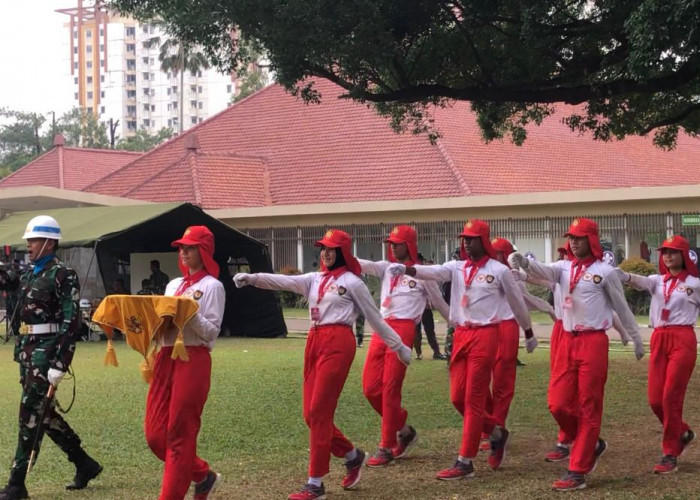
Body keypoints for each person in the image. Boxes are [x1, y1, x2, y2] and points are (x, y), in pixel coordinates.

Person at [234, 229, 412, 500]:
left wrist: (398, 346)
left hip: (339, 342)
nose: (326, 253)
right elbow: (282, 281)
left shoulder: (353, 282)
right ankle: (352, 455)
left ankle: (315, 484)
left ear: (342, 252)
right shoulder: (314, 279)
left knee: (319, 411)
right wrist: (253, 278)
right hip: (314, 341)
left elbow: (375, 318)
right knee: (310, 414)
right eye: (323, 248)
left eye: (331, 249)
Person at [388, 219, 534, 481]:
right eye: (464, 238)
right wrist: (409, 270)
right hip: (462, 335)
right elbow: (432, 272)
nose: (466, 242)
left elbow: (518, 304)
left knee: (474, 398)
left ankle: (465, 461)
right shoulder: (456, 267)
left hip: (485, 334)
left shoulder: (498, 271)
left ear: (484, 241)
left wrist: (529, 331)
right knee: (458, 397)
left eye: (472, 238)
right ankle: (496, 432)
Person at [510, 217, 645, 491]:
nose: (573, 241)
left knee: (589, 405)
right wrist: (525, 263)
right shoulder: (562, 268)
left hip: (593, 342)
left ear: (591, 240)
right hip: (567, 341)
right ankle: (590, 442)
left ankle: (578, 469)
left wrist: (635, 337)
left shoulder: (605, 272)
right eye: (571, 237)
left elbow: (621, 307)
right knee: (557, 403)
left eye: (580, 237)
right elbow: (544, 270)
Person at [0, 215, 102, 500]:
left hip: (48, 352)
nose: (29, 245)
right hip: (28, 350)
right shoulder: (30, 273)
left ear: (49, 242)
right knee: (44, 413)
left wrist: (61, 363)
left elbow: (72, 323)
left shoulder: (63, 274)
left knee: (30, 413)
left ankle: (16, 483)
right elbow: (7, 281)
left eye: (33, 240)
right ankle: (85, 463)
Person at [357, 227, 450, 468]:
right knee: (370, 388)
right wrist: (337, 253)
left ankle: (386, 446)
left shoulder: (421, 273)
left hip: (405, 329)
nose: (393, 247)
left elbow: (439, 303)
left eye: (398, 243)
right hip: (382, 328)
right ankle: (404, 430)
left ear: (409, 245)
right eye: (391, 243)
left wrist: (458, 326)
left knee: (390, 389)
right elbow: (361, 264)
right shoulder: (385, 268)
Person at [145, 226, 225, 500]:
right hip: (165, 356)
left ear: (204, 251)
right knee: (156, 437)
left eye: (190, 247)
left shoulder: (213, 286)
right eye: (181, 247)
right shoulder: (173, 285)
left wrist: (186, 312)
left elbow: (212, 332)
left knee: (180, 436)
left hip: (194, 358)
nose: (184, 252)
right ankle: (202, 475)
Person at [617, 235, 699, 474]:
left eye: (673, 252)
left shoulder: (695, 283)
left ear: (684, 255)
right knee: (655, 399)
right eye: (664, 252)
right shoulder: (657, 281)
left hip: (683, 338)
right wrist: (624, 276)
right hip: (659, 338)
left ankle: (669, 453)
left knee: (671, 397)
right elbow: (640, 281)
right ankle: (681, 431)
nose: (667, 256)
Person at [477, 238, 554, 457]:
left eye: (500, 253)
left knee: (502, 380)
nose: (497, 256)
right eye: (495, 252)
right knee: (480, 378)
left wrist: (547, 310)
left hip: (508, 327)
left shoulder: (511, 275)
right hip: (487, 326)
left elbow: (524, 301)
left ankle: (498, 425)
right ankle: (490, 423)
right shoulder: (485, 272)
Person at [414, 257, 447, 360]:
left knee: (428, 330)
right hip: (417, 308)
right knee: (417, 331)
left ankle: (435, 352)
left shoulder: (424, 275)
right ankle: (419, 353)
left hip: (425, 308)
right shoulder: (414, 275)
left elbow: (431, 292)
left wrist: (430, 302)